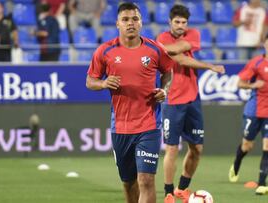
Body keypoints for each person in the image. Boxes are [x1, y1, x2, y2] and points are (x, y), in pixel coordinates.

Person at [86, 3, 224, 203]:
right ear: (117, 23)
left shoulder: (154, 49)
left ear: (141, 22)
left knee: (147, 180)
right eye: (125, 20)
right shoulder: (105, 51)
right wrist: (103, 83)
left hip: (149, 126)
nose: (130, 23)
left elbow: (168, 71)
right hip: (121, 127)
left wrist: (164, 90)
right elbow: (90, 81)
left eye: (135, 19)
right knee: (129, 182)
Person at [156, 5, 225, 203]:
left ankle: (182, 188)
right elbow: (181, 59)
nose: (180, 26)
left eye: (183, 22)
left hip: (192, 98)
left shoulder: (194, 33)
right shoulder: (162, 38)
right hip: (173, 99)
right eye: (176, 22)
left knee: (197, 149)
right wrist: (209, 66)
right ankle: (169, 192)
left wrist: (166, 50)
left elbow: (180, 52)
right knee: (171, 148)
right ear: (170, 22)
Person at [228, 34, 268, 195]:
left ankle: (262, 183)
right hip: (254, 111)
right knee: (247, 146)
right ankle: (236, 163)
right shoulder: (256, 62)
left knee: (267, 146)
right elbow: (240, 83)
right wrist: (253, 84)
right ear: (264, 44)